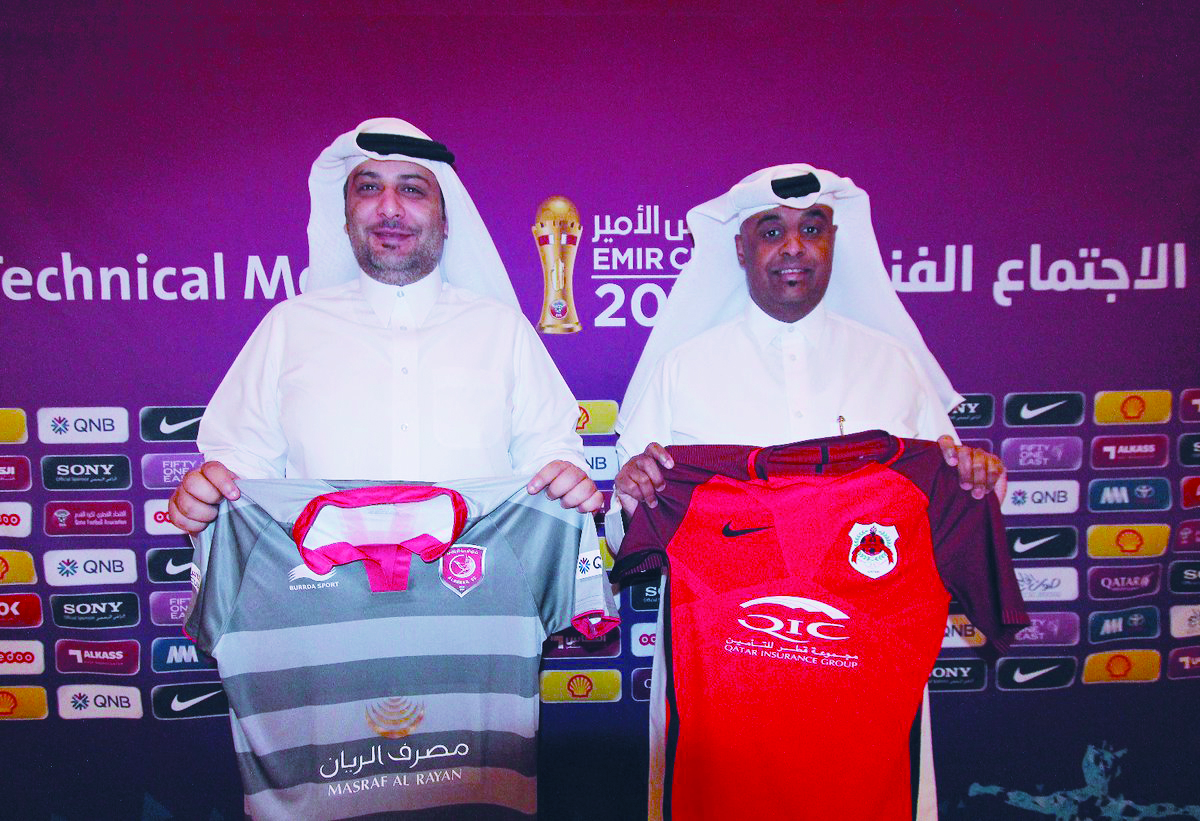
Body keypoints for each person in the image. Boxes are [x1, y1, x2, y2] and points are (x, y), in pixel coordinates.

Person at [609, 164, 1009, 820]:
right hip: (726, 675)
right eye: (772, 230)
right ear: (741, 248)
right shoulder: (682, 369)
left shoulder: (893, 362)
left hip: (864, 678)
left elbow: (944, 499)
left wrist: (976, 478)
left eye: (812, 229)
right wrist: (632, 493)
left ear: (833, 240)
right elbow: (628, 541)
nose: (794, 246)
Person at [169, 117, 601, 533]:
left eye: (411, 190)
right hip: (319, 599)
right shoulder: (289, 328)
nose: (389, 209)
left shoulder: (502, 331)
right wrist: (208, 492)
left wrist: (566, 477)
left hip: (475, 594)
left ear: (446, 221)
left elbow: (548, 457)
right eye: (369, 188)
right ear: (345, 216)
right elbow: (242, 471)